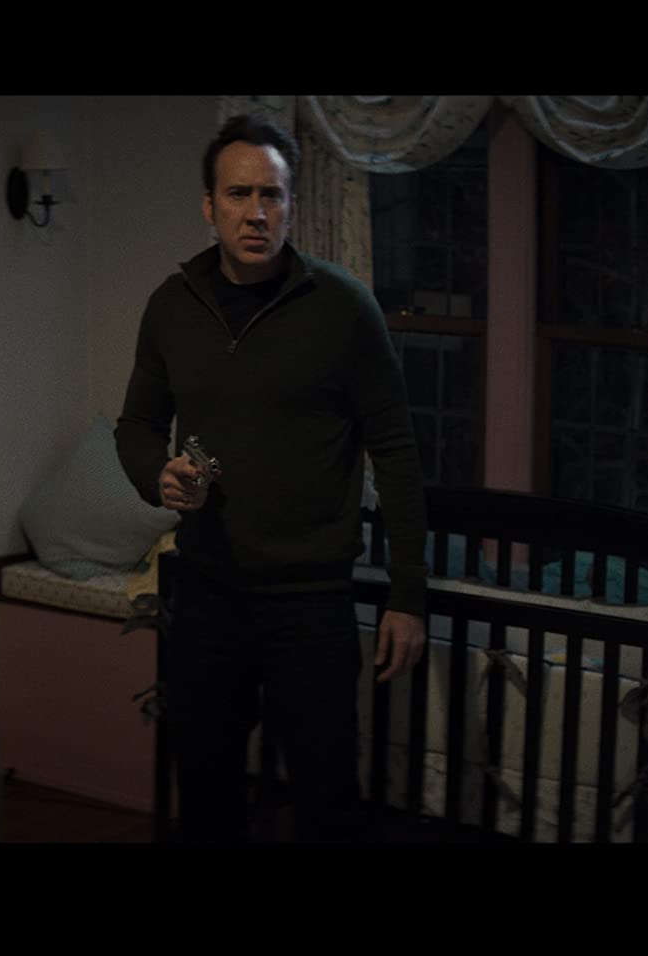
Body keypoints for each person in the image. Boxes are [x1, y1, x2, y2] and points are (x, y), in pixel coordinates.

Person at [115, 114, 428, 843]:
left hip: (310, 597)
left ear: (290, 204)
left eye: (271, 195)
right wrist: (158, 476)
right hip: (207, 589)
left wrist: (408, 595)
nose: (256, 212)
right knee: (206, 788)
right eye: (238, 194)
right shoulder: (171, 305)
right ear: (209, 205)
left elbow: (396, 450)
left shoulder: (342, 307)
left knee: (325, 793)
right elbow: (136, 426)